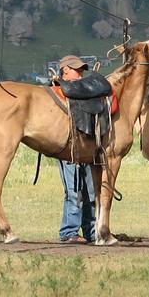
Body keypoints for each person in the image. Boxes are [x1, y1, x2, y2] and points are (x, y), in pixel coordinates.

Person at [55, 55, 97, 243]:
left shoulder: (86, 92)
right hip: (68, 148)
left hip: (86, 147)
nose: (80, 73)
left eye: (81, 70)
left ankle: (92, 231)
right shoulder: (56, 94)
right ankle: (69, 232)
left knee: (91, 191)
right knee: (74, 191)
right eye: (76, 70)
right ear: (65, 71)